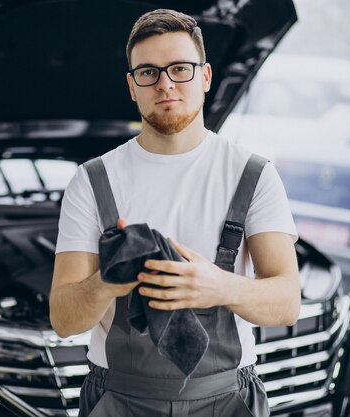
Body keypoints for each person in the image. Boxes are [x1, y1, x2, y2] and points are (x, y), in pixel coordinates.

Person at [49, 8, 300, 417]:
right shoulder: (93, 181)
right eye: (148, 72)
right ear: (132, 87)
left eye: (180, 68)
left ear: (205, 76)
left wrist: (219, 286)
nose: (165, 83)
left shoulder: (252, 175)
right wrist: (107, 282)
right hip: (118, 400)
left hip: (227, 401)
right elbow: (63, 320)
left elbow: (287, 301)